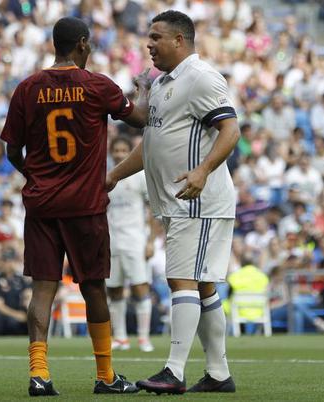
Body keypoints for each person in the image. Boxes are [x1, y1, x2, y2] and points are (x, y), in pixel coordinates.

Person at [0, 16, 149, 396]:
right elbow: (140, 118)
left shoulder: (27, 88)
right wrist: (145, 88)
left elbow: (11, 149)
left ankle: (39, 375)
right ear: (82, 44)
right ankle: (105, 376)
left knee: (43, 291)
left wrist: (34, 175)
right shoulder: (97, 85)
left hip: (42, 205)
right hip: (85, 205)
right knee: (95, 290)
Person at [107, 10, 239, 394]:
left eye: (156, 37)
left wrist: (202, 171)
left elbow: (230, 129)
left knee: (180, 279)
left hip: (197, 198)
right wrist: (114, 174)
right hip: (179, 201)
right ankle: (218, 373)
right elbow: (152, 144)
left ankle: (174, 370)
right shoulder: (165, 82)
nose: (149, 44)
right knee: (203, 286)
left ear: (179, 40)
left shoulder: (201, 78)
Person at [106, 136, 154, 353]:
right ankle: (121, 338)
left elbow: (153, 209)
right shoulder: (105, 177)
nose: (119, 153)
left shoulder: (141, 177)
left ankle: (143, 338)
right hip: (112, 241)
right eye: (116, 150)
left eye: (124, 150)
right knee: (114, 289)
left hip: (135, 240)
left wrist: (151, 240)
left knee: (140, 287)